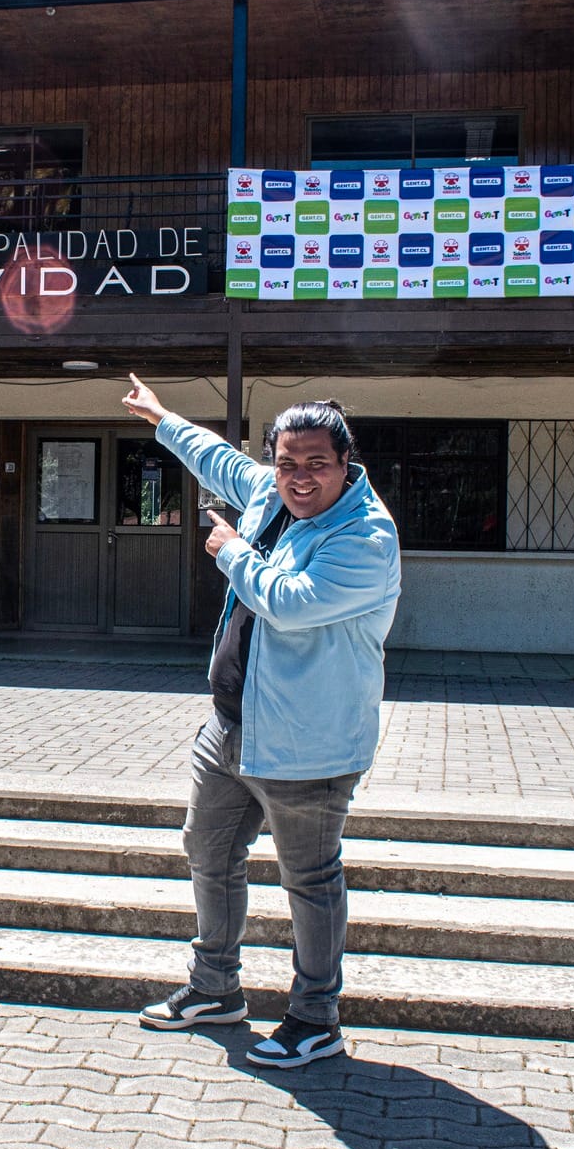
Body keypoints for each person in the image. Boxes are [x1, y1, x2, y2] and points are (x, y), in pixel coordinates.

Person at [122, 374, 401, 1068]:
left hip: (309, 742)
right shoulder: (268, 493)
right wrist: (162, 417)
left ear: (346, 465)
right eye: (286, 463)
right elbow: (220, 459)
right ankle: (216, 987)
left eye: (316, 464)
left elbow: (290, 600)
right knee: (208, 848)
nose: (298, 478)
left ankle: (315, 1016)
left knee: (309, 878)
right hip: (233, 723)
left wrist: (230, 551)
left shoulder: (366, 536)